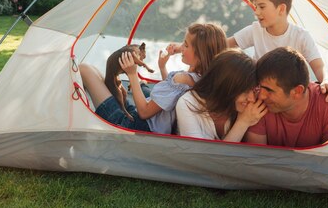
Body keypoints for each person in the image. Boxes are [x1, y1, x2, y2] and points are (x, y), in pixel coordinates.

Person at [79, 23, 228, 134]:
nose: (181, 47)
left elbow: (144, 112)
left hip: (135, 126)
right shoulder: (199, 78)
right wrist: (163, 67)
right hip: (143, 121)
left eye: (186, 45)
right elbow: (169, 100)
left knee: (85, 69)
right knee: (97, 74)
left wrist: (132, 74)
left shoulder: (182, 78)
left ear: (200, 54)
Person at [227, 0, 328, 106]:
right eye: (255, 7)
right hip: (262, 96)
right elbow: (223, 45)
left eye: (261, 6)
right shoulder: (255, 30)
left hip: (290, 98)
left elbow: (319, 66)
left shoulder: (301, 36)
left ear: (281, 9)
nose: (256, 12)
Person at [244, 47, 328, 147]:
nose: (261, 96)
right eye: (260, 87)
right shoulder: (259, 106)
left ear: (297, 91)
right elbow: (257, 159)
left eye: (269, 90)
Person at [176, 49, 267, 141]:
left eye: (254, 90)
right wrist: (242, 123)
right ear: (226, 87)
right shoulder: (187, 103)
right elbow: (198, 154)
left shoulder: (246, 108)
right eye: (245, 91)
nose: (252, 99)